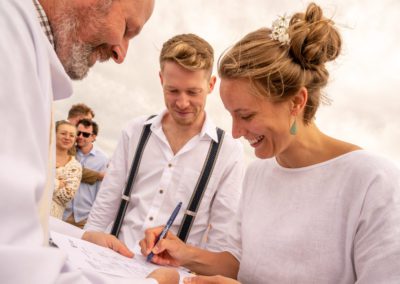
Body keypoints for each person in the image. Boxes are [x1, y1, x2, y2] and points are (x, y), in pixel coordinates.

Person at [139, 3, 400, 284]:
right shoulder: (256, 175)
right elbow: (242, 265)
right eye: (230, 115)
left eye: (246, 115)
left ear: (297, 102)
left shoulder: (375, 182)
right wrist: (184, 254)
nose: (236, 132)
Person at [0, 0, 179, 282]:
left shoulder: (22, 51)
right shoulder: (8, 48)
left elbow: (19, 217)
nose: (121, 53)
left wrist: (82, 235)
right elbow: (13, 261)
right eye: (127, 29)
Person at [84, 34, 244, 252]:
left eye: (193, 92)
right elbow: (107, 199)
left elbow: (221, 233)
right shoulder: (135, 130)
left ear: (211, 84)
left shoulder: (229, 151)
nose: (182, 102)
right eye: (173, 90)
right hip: (114, 260)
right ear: (161, 80)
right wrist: (87, 243)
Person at [64, 119, 108, 229]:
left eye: (86, 134)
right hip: (63, 214)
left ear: (94, 137)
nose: (80, 137)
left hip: (84, 219)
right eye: (78, 133)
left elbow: (102, 192)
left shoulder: (103, 160)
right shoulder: (68, 152)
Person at [67, 103, 106, 185]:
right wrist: (100, 175)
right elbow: (71, 170)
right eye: (88, 121)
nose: (89, 124)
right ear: (79, 120)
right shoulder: (66, 138)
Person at [50, 120, 82, 219]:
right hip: (29, 210)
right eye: (63, 133)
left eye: (72, 135)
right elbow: (31, 182)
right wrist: (58, 184)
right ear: (54, 134)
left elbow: (67, 196)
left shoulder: (75, 166)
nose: (67, 138)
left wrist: (47, 180)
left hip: (52, 219)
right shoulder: (41, 155)